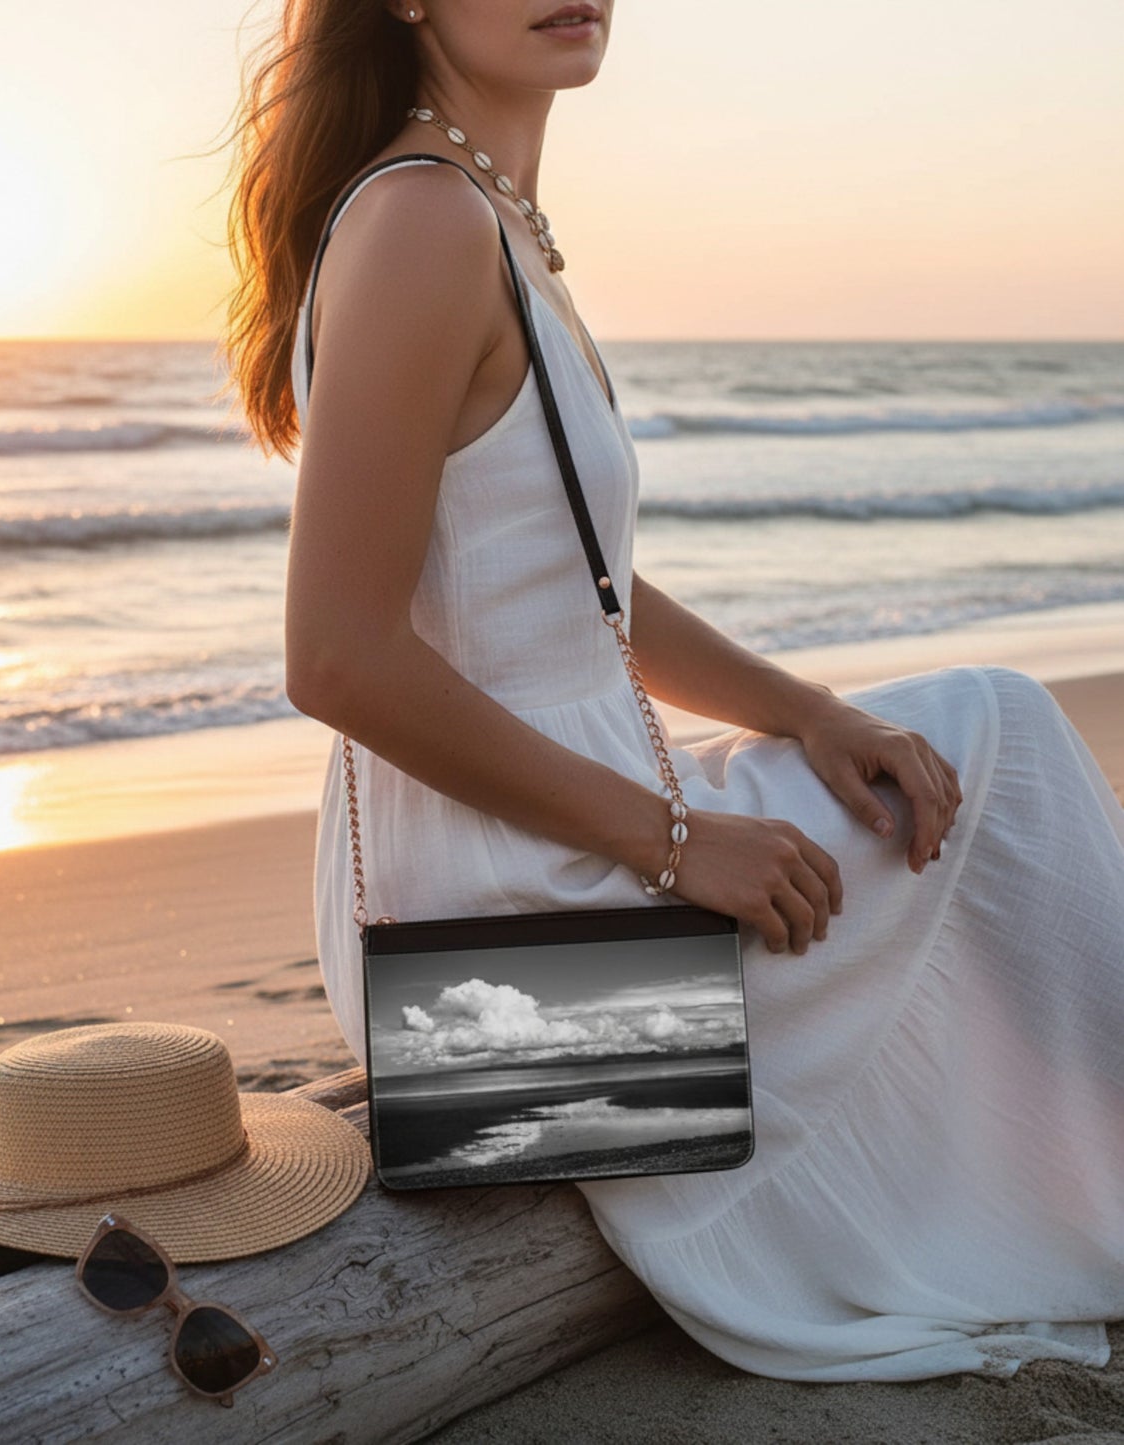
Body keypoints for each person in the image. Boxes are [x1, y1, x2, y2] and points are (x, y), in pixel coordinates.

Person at [224, 0, 1124, 1382]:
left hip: (565, 823)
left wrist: (801, 710)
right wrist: (679, 841)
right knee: (999, 742)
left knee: (964, 743)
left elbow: (576, 588)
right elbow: (337, 654)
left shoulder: (489, 214)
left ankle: (1062, 1179)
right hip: (499, 912)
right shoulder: (423, 222)